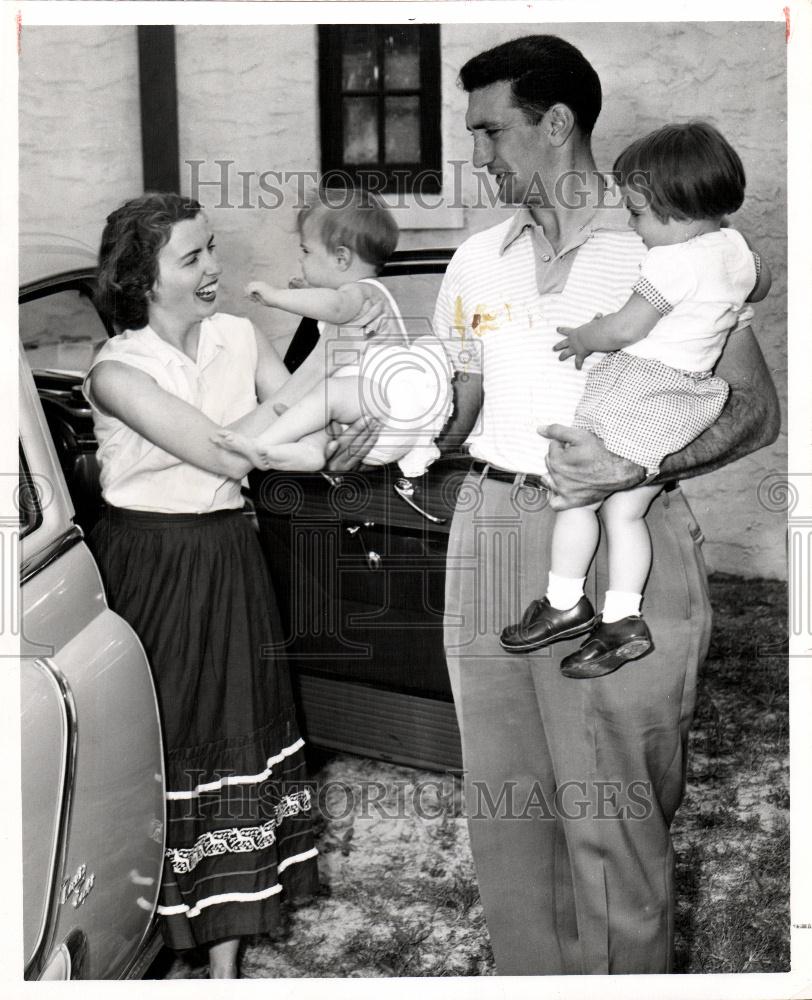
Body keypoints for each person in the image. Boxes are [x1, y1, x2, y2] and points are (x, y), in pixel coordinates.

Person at [429, 35, 780, 974]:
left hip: (630, 527)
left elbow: (754, 414)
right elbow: (461, 407)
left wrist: (631, 469)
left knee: (612, 806)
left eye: (490, 132)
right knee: (507, 805)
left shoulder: (672, 245)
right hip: (493, 526)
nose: (478, 157)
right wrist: (385, 422)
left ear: (556, 124)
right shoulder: (475, 259)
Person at [84, 193, 326, 978]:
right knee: (165, 741)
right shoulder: (117, 371)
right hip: (149, 563)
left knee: (235, 728)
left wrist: (314, 415)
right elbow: (228, 453)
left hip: (227, 552)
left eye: (211, 248)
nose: (214, 267)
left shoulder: (237, 334)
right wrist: (332, 362)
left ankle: (224, 957)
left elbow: (308, 437)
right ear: (143, 280)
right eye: (192, 257)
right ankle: (146, 923)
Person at [499, 121, 772, 678]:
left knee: (575, 491)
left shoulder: (670, 263)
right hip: (688, 396)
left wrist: (583, 336)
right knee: (627, 507)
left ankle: (563, 601)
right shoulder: (738, 250)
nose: (633, 224)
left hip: (641, 388)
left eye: (639, 213)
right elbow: (759, 285)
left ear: (675, 208)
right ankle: (623, 618)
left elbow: (625, 329)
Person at [216, 191, 452, 477]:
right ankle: (312, 450)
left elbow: (336, 307)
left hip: (386, 407)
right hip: (367, 417)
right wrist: (307, 292)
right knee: (320, 406)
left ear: (341, 258)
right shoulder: (357, 295)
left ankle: (259, 444)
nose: (301, 259)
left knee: (324, 396)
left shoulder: (362, 292)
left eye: (306, 251)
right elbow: (330, 306)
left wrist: (276, 297)